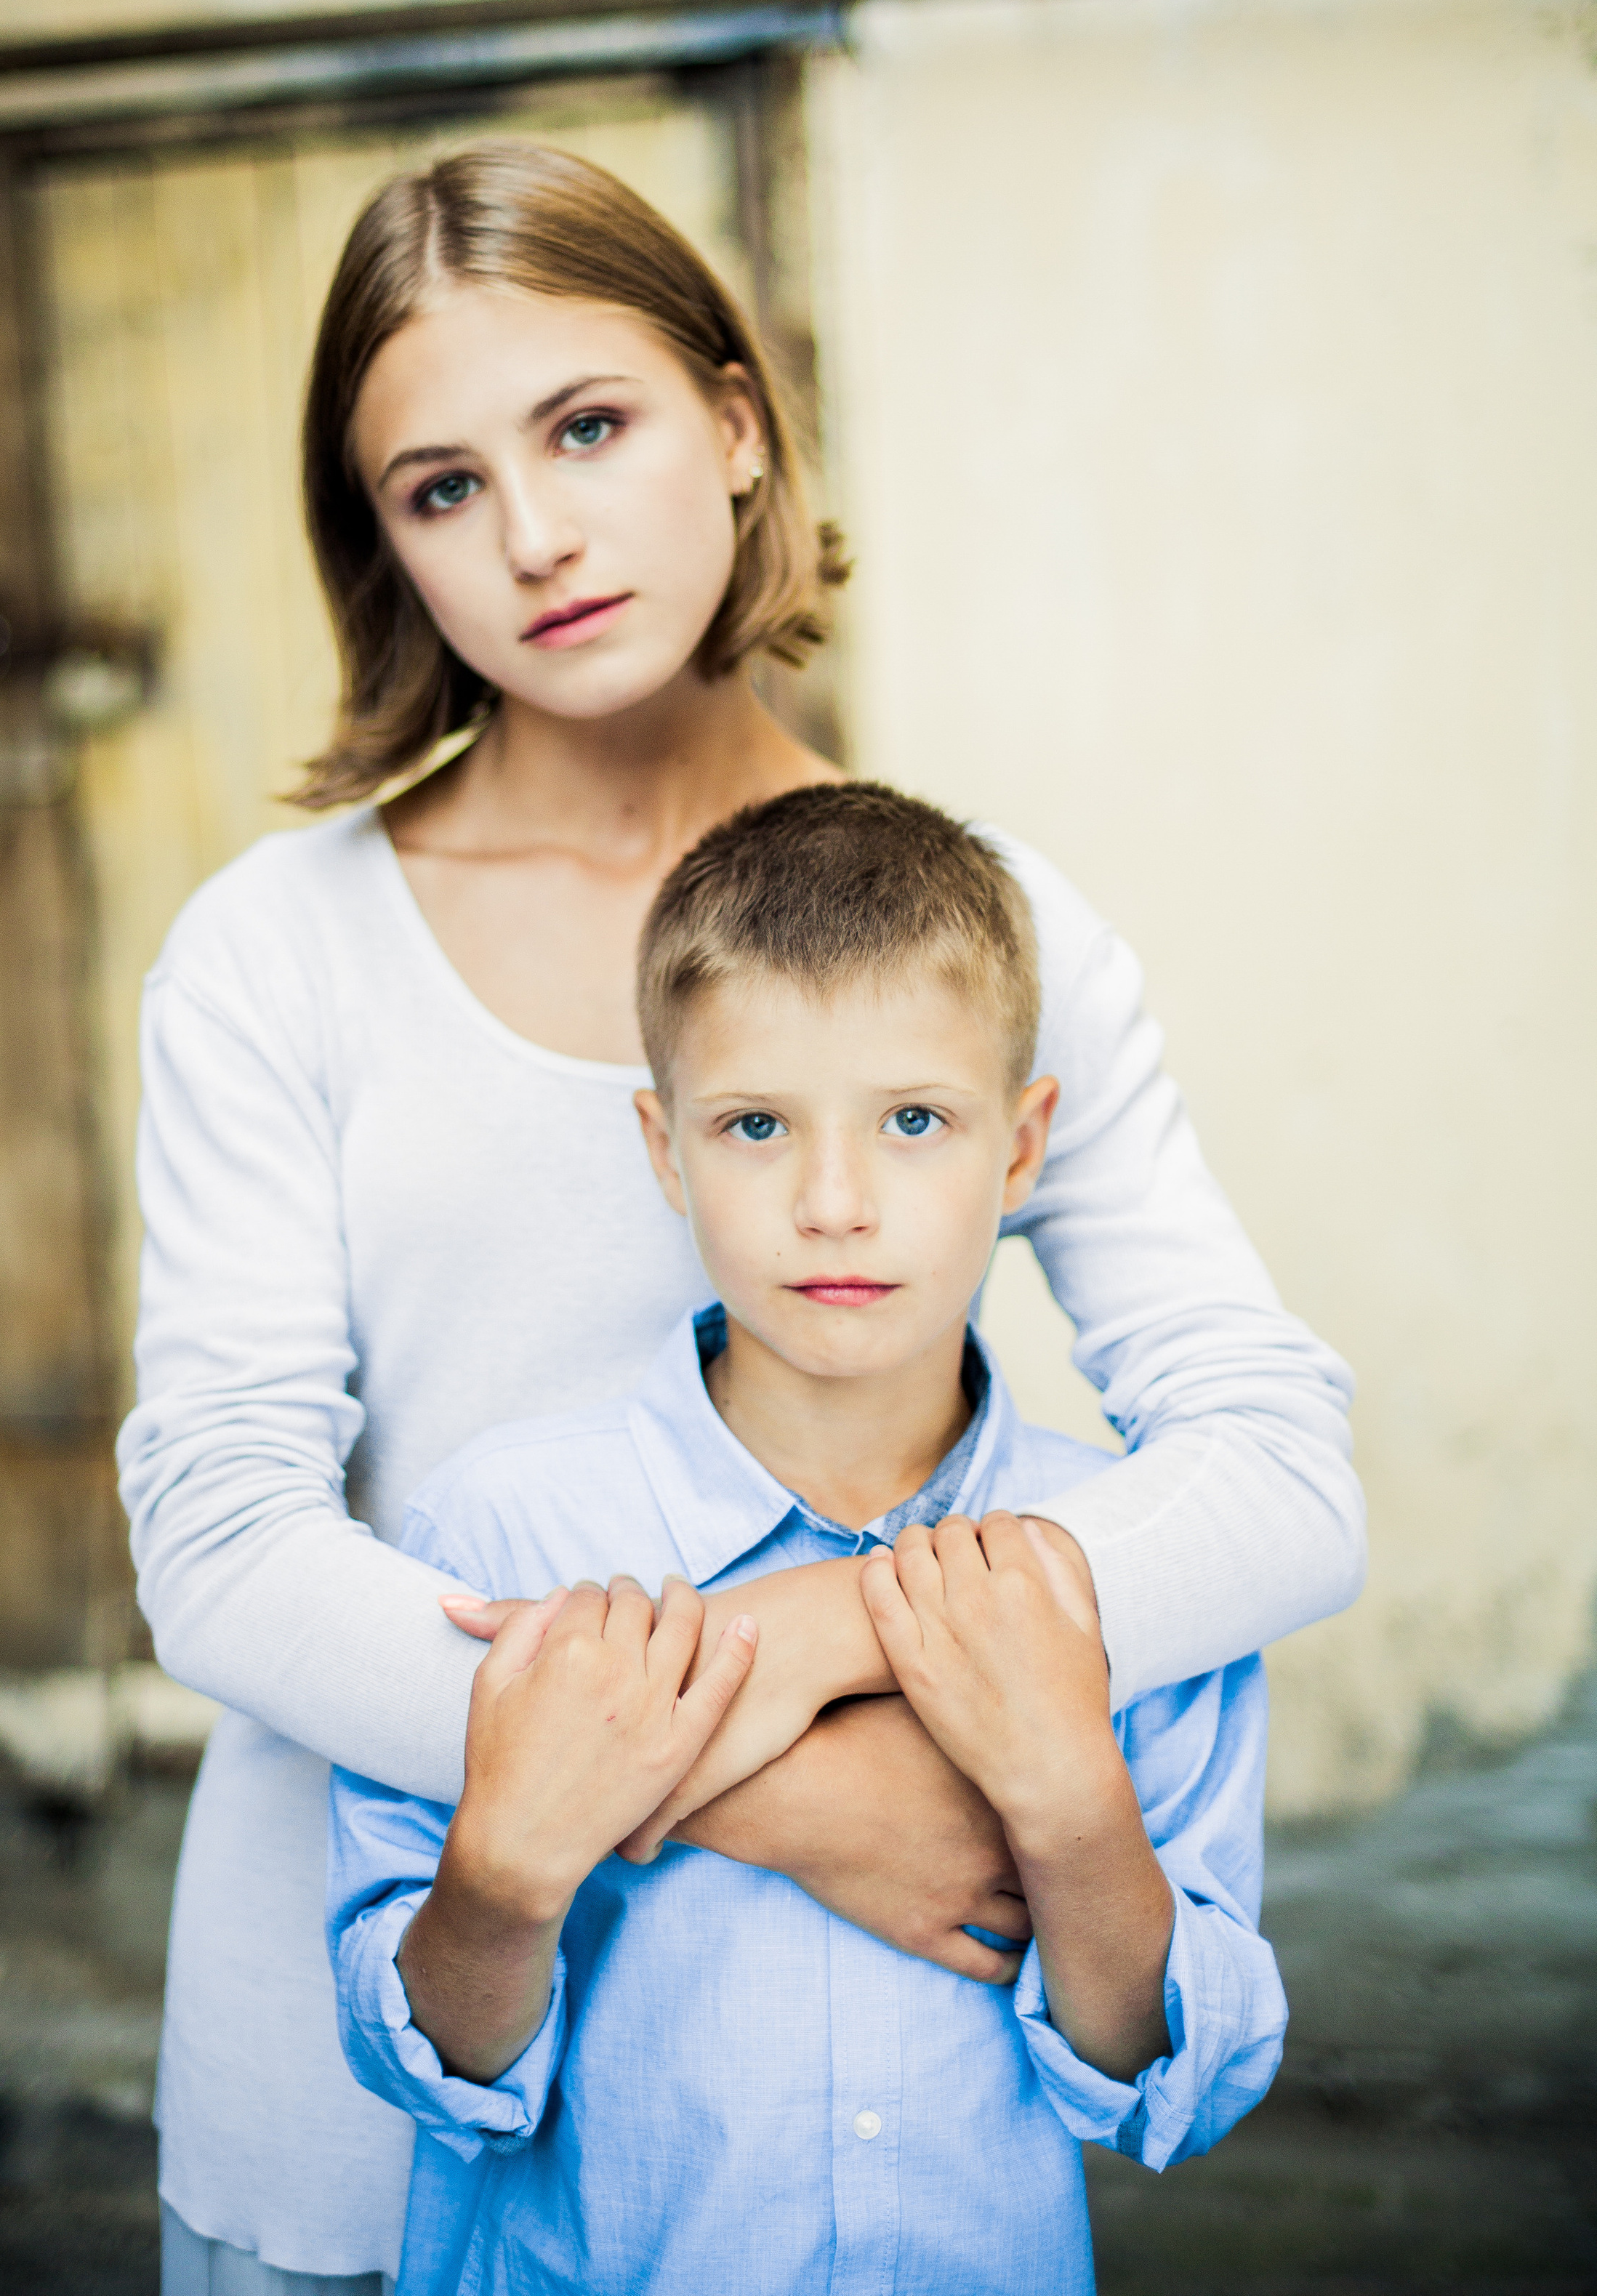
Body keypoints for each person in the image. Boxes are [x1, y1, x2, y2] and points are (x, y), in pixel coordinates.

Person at [118, 142, 1359, 2294]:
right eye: (437, 486)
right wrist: (773, 1788)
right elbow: (225, 1551)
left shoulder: (979, 927)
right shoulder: (274, 953)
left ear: (737, 421)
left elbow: (1278, 1476)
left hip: (857, 2111)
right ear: (388, 548)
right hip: (389, 2071)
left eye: (586, 428)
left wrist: (803, 1648)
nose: (532, 536)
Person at [327, 784, 1287, 2296]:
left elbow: (1171, 2084)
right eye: (755, 1125)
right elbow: (427, 2069)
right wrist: (506, 1875)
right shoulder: (501, 1531)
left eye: (914, 1121)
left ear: (1022, 1145)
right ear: (663, 1148)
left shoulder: (1130, 1555)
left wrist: (1064, 1799)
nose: (833, 1204)